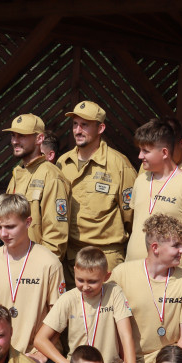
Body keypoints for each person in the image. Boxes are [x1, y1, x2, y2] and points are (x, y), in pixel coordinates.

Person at [35, 246, 137, 363]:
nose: (85, 286)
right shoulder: (68, 299)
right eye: (80, 280)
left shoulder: (114, 292)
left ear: (106, 276)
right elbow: (40, 339)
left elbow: (126, 335)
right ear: (74, 271)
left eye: (93, 281)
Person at [111, 214, 182, 363]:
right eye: (176, 245)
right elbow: (110, 328)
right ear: (155, 248)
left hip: (170, 361)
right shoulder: (121, 274)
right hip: (129, 360)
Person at [56, 101, 136, 275]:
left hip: (106, 259)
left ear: (100, 128)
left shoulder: (119, 165)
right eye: (75, 124)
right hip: (71, 259)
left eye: (85, 125)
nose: (78, 130)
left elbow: (133, 217)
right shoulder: (62, 163)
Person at [0, 194, 65, 359]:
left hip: (38, 353)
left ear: (28, 222)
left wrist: (41, 355)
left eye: (10, 227)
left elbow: (59, 316)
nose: (4, 233)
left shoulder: (50, 263)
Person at [125, 118, 182, 268]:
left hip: (170, 279)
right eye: (140, 150)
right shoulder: (140, 180)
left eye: (145, 151)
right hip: (135, 272)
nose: (139, 156)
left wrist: (180, 265)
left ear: (164, 152)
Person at [3, 114, 70, 261]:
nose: (15, 141)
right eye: (13, 136)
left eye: (21, 136)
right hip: (14, 262)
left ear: (39, 139)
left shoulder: (51, 176)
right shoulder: (18, 172)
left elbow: (56, 235)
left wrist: (40, 269)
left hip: (35, 267)